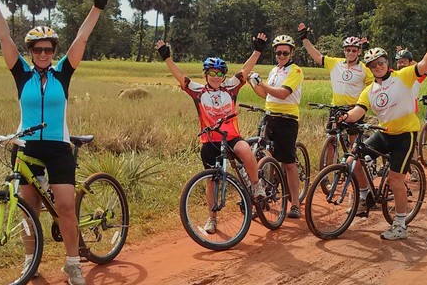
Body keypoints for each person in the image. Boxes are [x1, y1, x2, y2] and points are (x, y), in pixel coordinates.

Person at [0, 0, 108, 285]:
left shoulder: (62, 72)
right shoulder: (21, 73)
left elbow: (81, 38)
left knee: (64, 206)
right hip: (26, 147)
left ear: (53, 51)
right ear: (30, 51)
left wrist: (97, 7)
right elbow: (4, 36)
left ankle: (72, 264)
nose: (42, 54)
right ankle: (31, 261)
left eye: (48, 49)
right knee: (29, 209)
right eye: (37, 49)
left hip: (57, 148)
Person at [339, 27, 427, 240]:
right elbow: (359, 110)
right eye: (373, 65)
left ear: (387, 62)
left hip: (405, 135)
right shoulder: (369, 91)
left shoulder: (403, 76)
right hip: (384, 133)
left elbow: (426, 65)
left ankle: (400, 224)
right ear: (369, 68)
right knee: (353, 161)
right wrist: (345, 117)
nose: (378, 67)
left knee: (395, 179)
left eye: (381, 62)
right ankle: (364, 197)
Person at [155, 42, 265, 233]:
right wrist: (167, 58)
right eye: (212, 73)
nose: (216, 77)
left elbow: (244, 71)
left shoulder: (230, 88)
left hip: (231, 137)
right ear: (205, 74)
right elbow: (181, 78)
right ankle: (212, 218)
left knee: (245, 150)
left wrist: (257, 51)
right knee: (212, 179)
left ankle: (256, 185)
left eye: (220, 74)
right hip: (210, 141)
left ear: (224, 76)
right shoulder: (198, 91)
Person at [241, 33, 304, 219]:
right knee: (262, 154)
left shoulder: (296, 71)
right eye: (278, 53)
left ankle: (295, 204)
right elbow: (266, 94)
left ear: (291, 53)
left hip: (287, 119)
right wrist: (253, 84)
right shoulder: (274, 71)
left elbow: (282, 93)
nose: (281, 56)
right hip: (269, 117)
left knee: (289, 163)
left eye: (285, 53)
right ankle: (264, 194)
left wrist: (262, 83)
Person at [298, 24, 373, 106]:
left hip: (354, 109)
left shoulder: (364, 68)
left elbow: (372, 88)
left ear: (359, 52)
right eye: (348, 50)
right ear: (344, 51)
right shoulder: (335, 63)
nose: (350, 53)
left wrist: (362, 105)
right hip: (336, 108)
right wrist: (304, 39)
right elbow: (317, 56)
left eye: (354, 51)